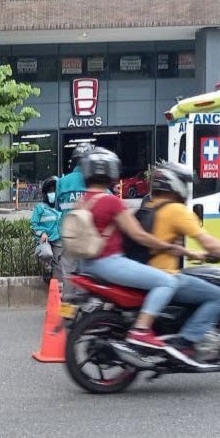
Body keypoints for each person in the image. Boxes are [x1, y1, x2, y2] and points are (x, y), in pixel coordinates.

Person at [71, 148, 197, 355]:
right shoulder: (111, 201)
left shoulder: (83, 200)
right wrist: (169, 246)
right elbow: (139, 235)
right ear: (111, 172)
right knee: (167, 282)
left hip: (87, 264)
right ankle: (141, 329)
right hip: (110, 263)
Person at [141, 162, 220, 366]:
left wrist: (197, 255)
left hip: (147, 273)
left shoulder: (149, 206)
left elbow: (164, 245)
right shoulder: (176, 210)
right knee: (219, 296)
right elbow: (207, 240)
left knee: (201, 276)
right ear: (176, 184)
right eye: (185, 184)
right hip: (167, 276)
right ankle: (187, 342)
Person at [55, 145, 92, 299]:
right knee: (88, 275)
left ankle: (68, 312)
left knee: (69, 276)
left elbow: (57, 206)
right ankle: (86, 313)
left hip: (67, 236)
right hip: (88, 237)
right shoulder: (93, 181)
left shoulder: (62, 182)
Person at [31, 176, 63, 281]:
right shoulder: (40, 207)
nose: (53, 192)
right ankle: (47, 269)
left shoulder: (62, 207)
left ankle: (54, 285)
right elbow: (33, 223)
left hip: (59, 239)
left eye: (55, 190)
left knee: (59, 268)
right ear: (45, 193)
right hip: (45, 239)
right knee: (47, 253)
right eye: (50, 191)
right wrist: (42, 233)